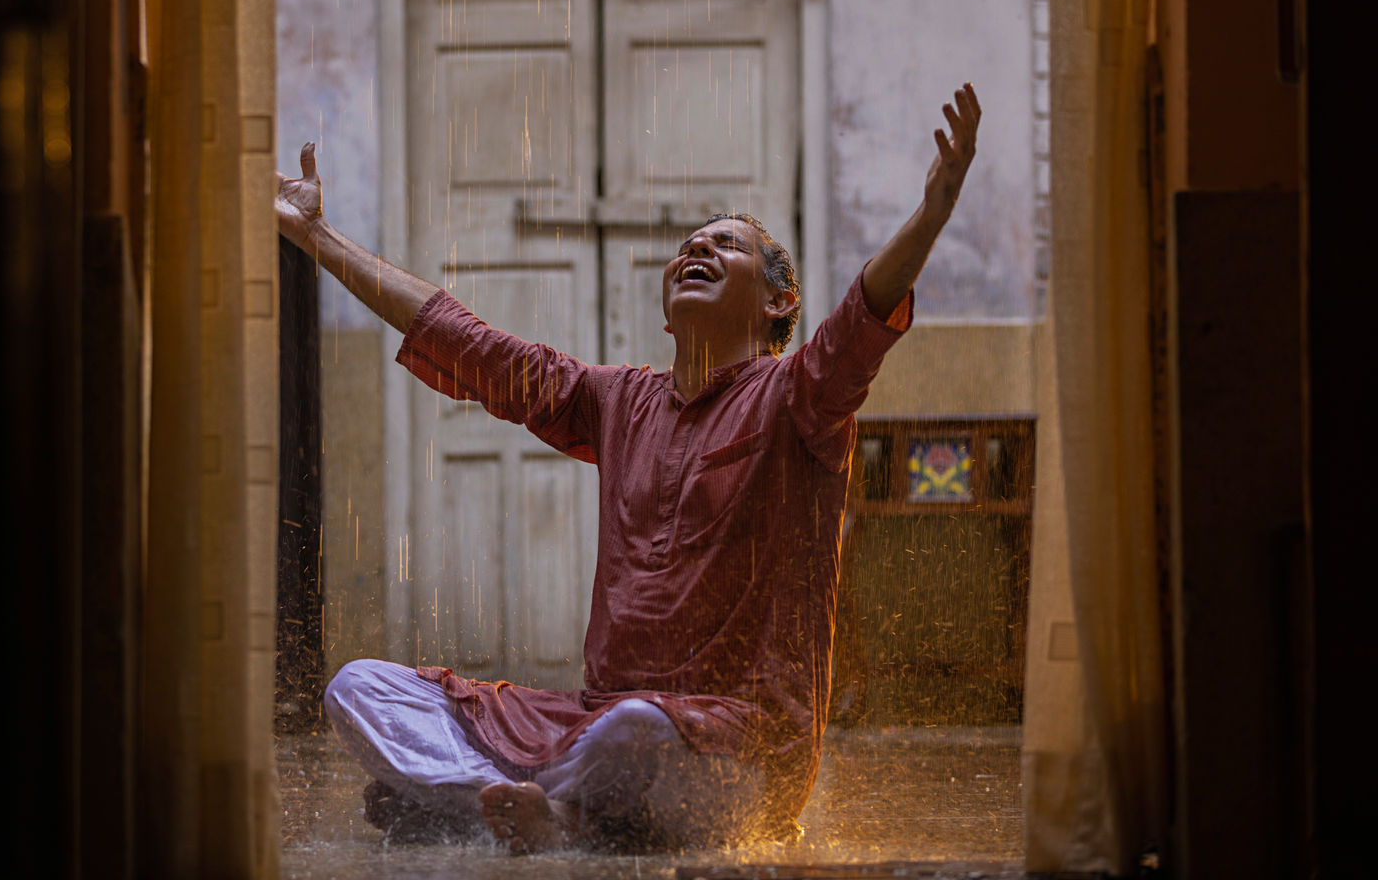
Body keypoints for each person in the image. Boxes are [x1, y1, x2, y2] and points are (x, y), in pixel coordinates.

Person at [274, 84, 983, 853]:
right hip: (592, 717)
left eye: (725, 245)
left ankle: (490, 806)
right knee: (361, 687)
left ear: (780, 304)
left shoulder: (798, 397)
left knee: (636, 732)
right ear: (666, 306)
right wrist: (318, 238)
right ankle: (516, 806)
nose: (696, 251)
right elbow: (472, 345)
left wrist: (933, 212)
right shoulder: (616, 401)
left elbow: (862, 320)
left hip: (737, 752)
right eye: (688, 247)